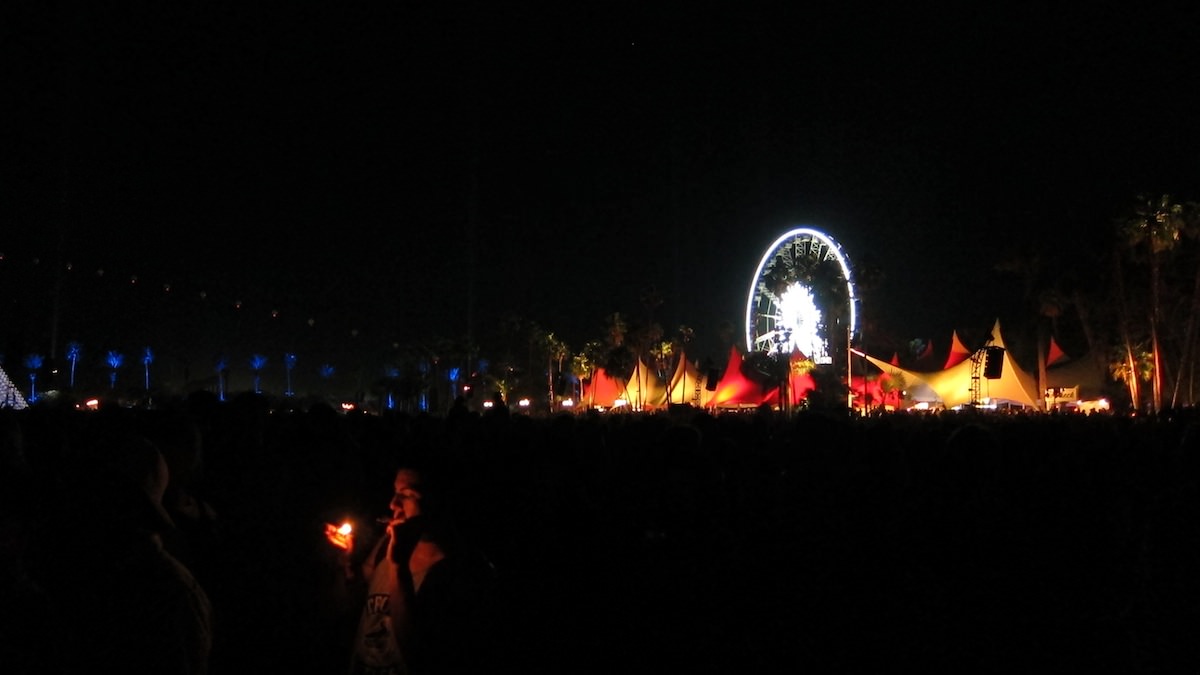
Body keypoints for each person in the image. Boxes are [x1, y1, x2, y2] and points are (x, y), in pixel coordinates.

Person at [326, 457, 497, 675]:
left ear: (439, 502)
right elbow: (350, 605)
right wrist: (346, 565)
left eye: (407, 495)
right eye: (395, 492)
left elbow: (421, 656)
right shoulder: (386, 544)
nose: (393, 504)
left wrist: (399, 566)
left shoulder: (464, 571)